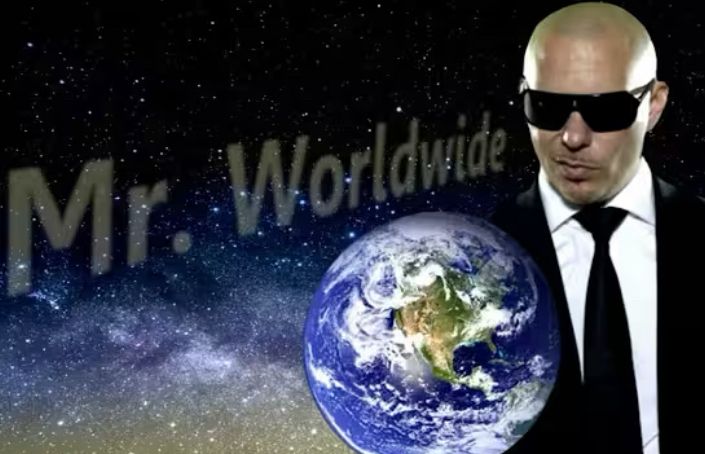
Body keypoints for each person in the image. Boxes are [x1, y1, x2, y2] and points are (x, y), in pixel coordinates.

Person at [491, 2, 705, 454]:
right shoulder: (480, 259)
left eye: (605, 111)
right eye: (546, 107)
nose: (572, 138)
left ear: (655, 104)